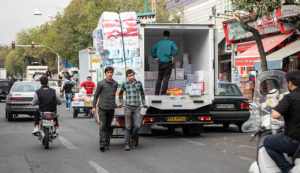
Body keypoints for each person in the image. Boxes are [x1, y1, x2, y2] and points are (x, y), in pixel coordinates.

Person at [264, 70, 300, 173]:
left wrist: (272, 108)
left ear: (290, 83)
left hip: (294, 141)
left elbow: (275, 115)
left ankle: (287, 169)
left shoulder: (290, 97)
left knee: (268, 142)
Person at [118, 69, 147, 150]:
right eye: (129, 76)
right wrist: (121, 102)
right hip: (128, 107)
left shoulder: (139, 84)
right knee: (128, 127)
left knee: (137, 126)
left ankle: (132, 138)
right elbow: (120, 93)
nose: (131, 77)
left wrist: (144, 102)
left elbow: (142, 94)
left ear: (134, 75)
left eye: (132, 75)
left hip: (137, 107)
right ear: (127, 77)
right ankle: (126, 144)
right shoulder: (125, 84)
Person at [92, 66, 118, 152]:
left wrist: (116, 104)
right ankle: (102, 143)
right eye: (108, 73)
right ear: (105, 73)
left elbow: (114, 95)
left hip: (111, 108)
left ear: (113, 73)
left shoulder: (115, 83)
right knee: (102, 126)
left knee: (108, 126)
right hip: (102, 108)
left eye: (111, 72)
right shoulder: (101, 83)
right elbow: (96, 96)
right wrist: (93, 107)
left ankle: (107, 143)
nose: (110, 74)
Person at [151, 30, 178, 95]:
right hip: (168, 62)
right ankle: (163, 93)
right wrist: (173, 56)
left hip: (160, 62)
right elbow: (176, 49)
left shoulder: (158, 43)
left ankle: (156, 93)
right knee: (166, 78)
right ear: (169, 36)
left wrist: (155, 57)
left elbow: (152, 49)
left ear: (163, 35)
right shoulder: (171, 43)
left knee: (159, 78)